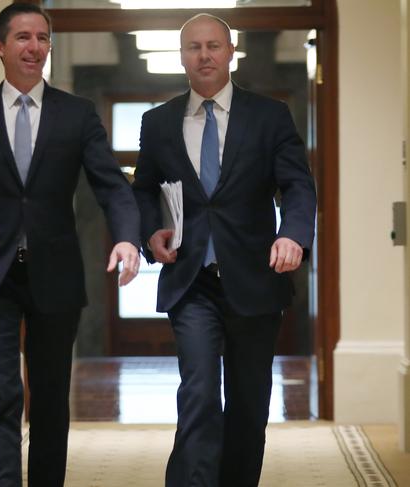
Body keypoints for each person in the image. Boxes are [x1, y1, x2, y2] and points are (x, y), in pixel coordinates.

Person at [0, 3, 141, 486]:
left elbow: (111, 185)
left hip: (56, 274)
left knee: (48, 398)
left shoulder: (77, 114)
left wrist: (127, 239)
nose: (35, 47)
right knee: (3, 392)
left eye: (43, 38)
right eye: (23, 37)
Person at [132, 13, 317, 487]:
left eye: (214, 46)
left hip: (255, 279)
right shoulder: (158, 123)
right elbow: (143, 191)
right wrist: (151, 233)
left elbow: (297, 185)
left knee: (248, 402)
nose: (204, 55)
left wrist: (292, 235)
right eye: (194, 47)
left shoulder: (269, 116)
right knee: (197, 393)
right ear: (182, 56)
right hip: (191, 281)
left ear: (230, 52)